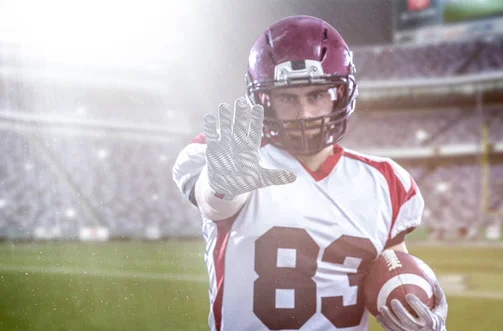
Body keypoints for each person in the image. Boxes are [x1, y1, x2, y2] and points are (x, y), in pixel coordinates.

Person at [172, 15, 447, 331]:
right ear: (266, 101)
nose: (303, 113)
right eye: (287, 98)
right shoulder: (236, 156)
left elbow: (393, 273)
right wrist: (224, 184)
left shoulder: (386, 182)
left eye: (316, 95)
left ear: (339, 95)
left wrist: (416, 313)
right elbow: (214, 203)